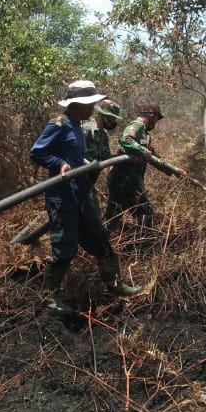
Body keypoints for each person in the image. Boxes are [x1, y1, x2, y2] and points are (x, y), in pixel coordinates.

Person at [29, 81, 142, 315]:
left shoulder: (79, 126)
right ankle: (48, 297)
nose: (93, 109)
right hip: (62, 197)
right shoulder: (59, 123)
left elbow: (77, 157)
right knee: (64, 250)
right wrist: (59, 164)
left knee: (102, 241)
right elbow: (37, 151)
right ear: (77, 104)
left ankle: (115, 286)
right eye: (89, 104)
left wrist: (89, 167)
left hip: (81, 195)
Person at [105, 102, 186, 232]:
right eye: (157, 119)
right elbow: (125, 139)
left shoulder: (145, 135)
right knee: (145, 212)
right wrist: (142, 150)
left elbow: (154, 158)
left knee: (113, 217)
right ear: (151, 116)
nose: (156, 123)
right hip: (125, 180)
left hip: (126, 180)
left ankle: (110, 244)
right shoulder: (136, 126)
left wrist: (174, 170)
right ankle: (142, 247)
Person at [81, 97, 122, 217]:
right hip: (77, 180)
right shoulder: (86, 129)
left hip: (89, 183)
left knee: (95, 217)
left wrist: (119, 157)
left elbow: (106, 156)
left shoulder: (104, 134)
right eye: (112, 118)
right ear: (103, 115)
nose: (113, 121)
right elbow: (75, 154)